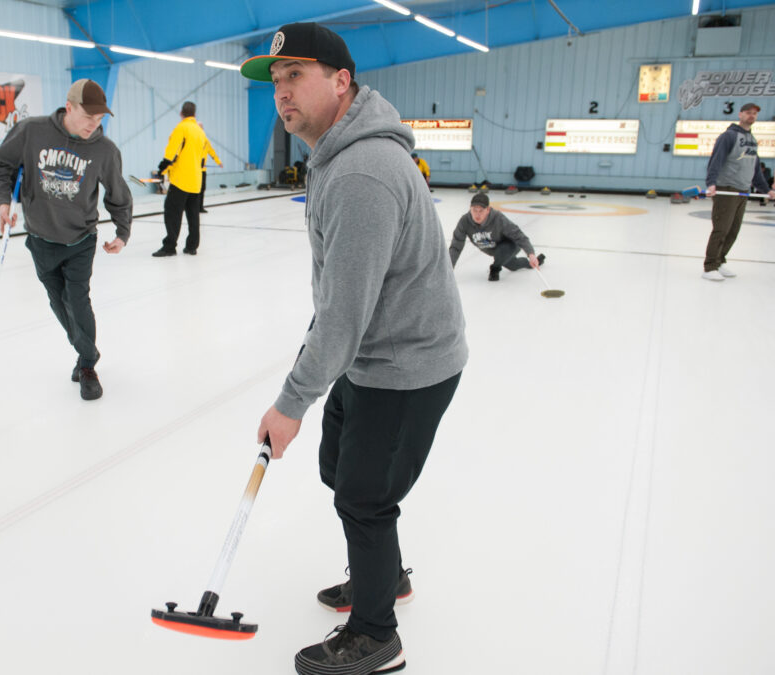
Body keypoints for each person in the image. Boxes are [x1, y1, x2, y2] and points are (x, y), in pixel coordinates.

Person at [241, 22, 468, 675]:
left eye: (296, 76)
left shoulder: (361, 171)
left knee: (364, 496)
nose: (283, 93)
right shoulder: (337, 157)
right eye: (276, 81)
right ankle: (382, 575)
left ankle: (376, 634)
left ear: (342, 82)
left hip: (407, 364)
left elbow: (343, 315)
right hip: (374, 350)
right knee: (339, 468)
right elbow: (342, 299)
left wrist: (290, 403)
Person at [0, 79, 132, 400]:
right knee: (58, 302)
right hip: (41, 238)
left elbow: (118, 193)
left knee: (77, 300)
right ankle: (83, 350)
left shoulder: (104, 150)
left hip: (81, 239)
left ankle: (88, 363)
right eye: (88, 117)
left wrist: (122, 232)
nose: (94, 125)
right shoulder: (31, 132)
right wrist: (3, 203)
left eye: (99, 119)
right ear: (69, 107)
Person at [702, 102, 775, 281]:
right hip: (727, 188)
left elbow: (755, 169)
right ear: (740, 114)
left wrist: (766, 189)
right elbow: (716, 160)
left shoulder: (752, 140)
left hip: (743, 189)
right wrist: (711, 183)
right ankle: (710, 266)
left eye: (755, 113)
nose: (752, 116)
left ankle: (720, 261)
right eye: (748, 112)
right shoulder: (728, 136)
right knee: (721, 229)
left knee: (733, 230)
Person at [448, 192, 544, 281]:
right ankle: (534, 262)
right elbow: (456, 247)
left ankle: (495, 268)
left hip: (510, 245)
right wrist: (448, 269)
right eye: (474, 210)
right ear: (470, 209)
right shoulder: (464, 221)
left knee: (502, 251)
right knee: (513, 266)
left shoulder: (498, 218)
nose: (477, 214)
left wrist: (531, 254)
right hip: (495, 251)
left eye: (481, 211)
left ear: (488, 210)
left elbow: (518, 235)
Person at [153, 101, 207, 256]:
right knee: (193, 215)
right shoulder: (200, 132)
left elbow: (172, 152)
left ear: (181, 113)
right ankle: (192, 246)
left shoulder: (181, 128)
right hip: (196, 180)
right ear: (194, 114)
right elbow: (202, 157)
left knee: (172, 213)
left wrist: (162, 169)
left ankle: (169, 247)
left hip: (181, 180)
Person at [198, 123, 222, 213]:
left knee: (202, 189)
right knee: (193, 190)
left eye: (201, 128)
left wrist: (219, 162)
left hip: (202, 170)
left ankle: (200, 207)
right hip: (194, 170)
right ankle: (191, 207)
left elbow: (212, 152)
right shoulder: (192, 140)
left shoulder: (206, 141)